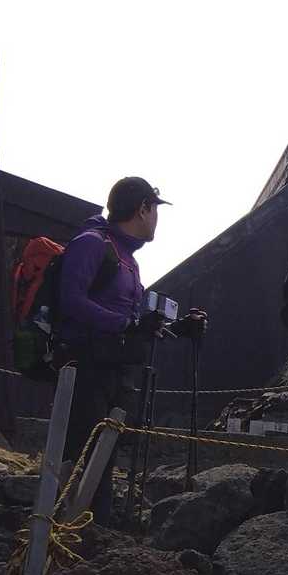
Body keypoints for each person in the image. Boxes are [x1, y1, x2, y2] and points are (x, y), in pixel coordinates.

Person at [55, 176, 192, 521]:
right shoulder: (93, 244)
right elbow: (70, 300)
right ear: (143, 208)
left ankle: (92, 531)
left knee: (105, 454)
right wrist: (126, 325)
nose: (156, 219)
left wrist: (177, 328)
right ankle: (70, 530)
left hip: (115, 370)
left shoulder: (127, 258)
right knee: (84, 452)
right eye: (155, 210)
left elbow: (130, 319)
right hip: (86, 367)